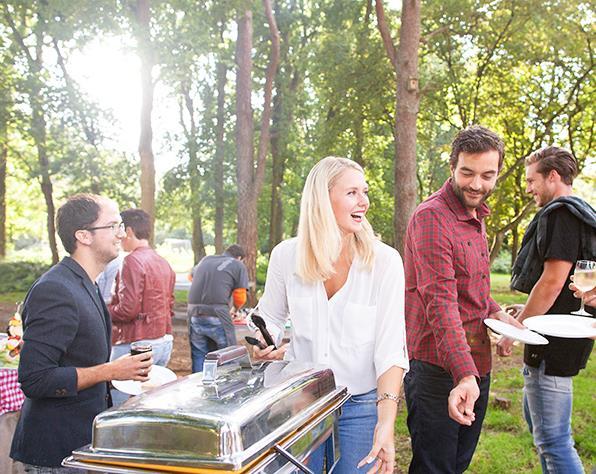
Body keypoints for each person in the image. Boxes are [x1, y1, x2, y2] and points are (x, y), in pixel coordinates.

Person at [254, 156, 408, 474]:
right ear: (323, 200)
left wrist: (386, 423)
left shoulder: (385, 262)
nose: (364, 201)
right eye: (352, 193)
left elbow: (391, 351)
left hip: (360, 405)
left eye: (364, 192)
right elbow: (269, 317)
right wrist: (263, 339)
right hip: (300, 402)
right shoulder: (286, 256)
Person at [403, 125, 523, 473]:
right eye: (467, 173)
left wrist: (500, 316)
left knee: (457, 465)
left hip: (476, 364)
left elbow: (472, 289)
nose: (476, 184)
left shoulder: (476, 215)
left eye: (487, 175)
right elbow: (440, 302)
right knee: (434, 468)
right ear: (452, 166)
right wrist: (464, 375)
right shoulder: (432, 218)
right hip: (438, 370)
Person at [10, 194, 152, 472]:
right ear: (83, 236)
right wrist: (111, 371)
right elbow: (35, 378)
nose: (121, 234)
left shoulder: (86, 283)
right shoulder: (55, 289)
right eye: (113, 226)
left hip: (81, 446)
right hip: (55, 454)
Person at [497, 146, 595, 473]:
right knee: (543, 431)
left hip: (551, 345)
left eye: (531, 180)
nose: (528, 188)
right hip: (567, 336)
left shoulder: (560, 214)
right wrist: (525, 309)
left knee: (554, 441)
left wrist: (515, 330)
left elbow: (552, 281)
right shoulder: (583, 212)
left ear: (552, 176)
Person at [108, 209, 176, 404]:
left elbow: (127, 309)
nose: (118, 236)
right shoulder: (163, 262)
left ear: (129, 231)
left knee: (120, 407)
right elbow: (169, 303)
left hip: (136, 342)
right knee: (148, 404)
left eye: (120, 229)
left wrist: (102, 310)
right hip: (163, 340)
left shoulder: (131, 261)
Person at [187, 244, 249, 373]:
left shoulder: (206, 260)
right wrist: (235, 309)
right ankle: (227, 383)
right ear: (239, 257)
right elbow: (240, 297)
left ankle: (198, 382)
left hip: (194, 314)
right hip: (218, 314)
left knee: (199, 355)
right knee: (227, 355)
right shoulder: (237, 265)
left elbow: (191, 278)